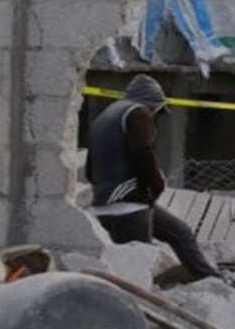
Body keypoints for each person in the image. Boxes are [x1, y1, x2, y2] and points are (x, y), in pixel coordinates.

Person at [85, 74, 220, 280]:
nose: (156, 119)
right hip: (128, 206)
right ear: (153, 104)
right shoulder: (139, 113)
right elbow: (142, 151)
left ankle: (213, 281)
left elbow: (89, 168)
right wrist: (155, 185)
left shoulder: (104, 117)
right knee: (137, 273)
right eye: (157, 113)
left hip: (111, 202)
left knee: (180, 232)